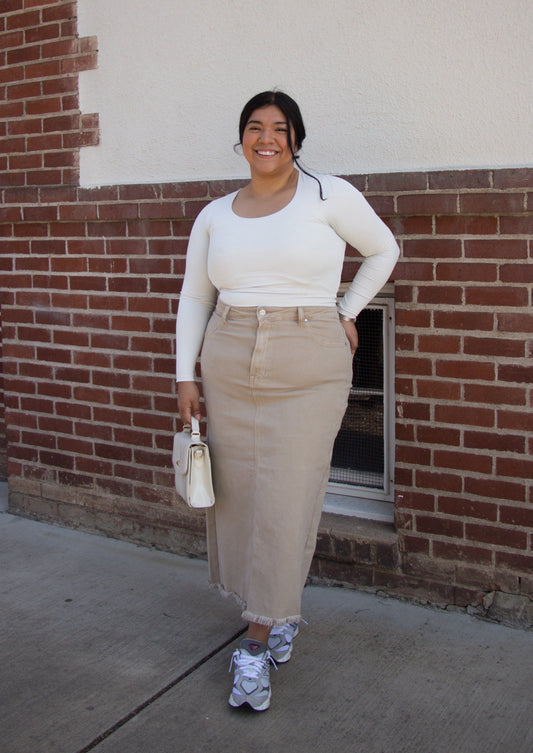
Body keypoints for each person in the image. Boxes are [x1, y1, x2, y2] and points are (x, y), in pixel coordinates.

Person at [175, 90, 399, 711]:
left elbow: (383, 250)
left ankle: (256, 638)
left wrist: (347, 311)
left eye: (279, 128)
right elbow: (196, 297)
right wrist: (183, 377)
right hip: (228, 354)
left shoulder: (331, 196)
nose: (266, 138)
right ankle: (275, 614)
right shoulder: (215, 214)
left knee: (287, 492)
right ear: (241, 139)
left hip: (308, 357)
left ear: (296, 139)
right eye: (254, 127)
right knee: (242, 491)